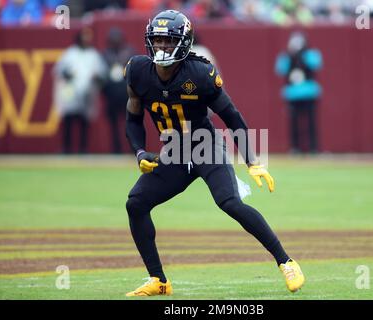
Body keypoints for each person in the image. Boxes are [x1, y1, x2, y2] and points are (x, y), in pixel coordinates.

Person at [123, 9, 305, 297]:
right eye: (157, 41)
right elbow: (133, 119)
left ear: (183, 43)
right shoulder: (137, 70)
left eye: (168, 42)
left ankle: (286, 261)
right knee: (135, 204)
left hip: (205, 144)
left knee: (229, 202)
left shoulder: (200, 73)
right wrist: (140, 151)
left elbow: (232, 117)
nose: (161, 47)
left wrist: (253, 162)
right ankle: (158, 280)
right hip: (175, 152)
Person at [53, 27, 107, 154]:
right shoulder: (70, 53)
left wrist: (96, 76)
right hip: (71, 91)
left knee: (84, 122)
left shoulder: (93, 54)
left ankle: (83, 149)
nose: (86, 40)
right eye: (84, 37)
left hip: (87, 92)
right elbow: (59, 70)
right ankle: (66, 149)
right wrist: (67, 74)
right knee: (68, 121)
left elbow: (102, 73)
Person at [275, 31, 322, 154]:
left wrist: (302, 55)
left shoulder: (311, 54)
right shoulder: (286, 56)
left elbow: (316, 64)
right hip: (292, 94)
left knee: (311, 122)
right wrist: (291, 55)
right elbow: (280, 69)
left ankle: (313, 148)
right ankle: (295, 148)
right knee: (293, 123)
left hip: (309, 92)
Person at [101, 27, 136, 153]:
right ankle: (116, 149)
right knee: (114, 124)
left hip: (127, 94)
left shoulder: (129, 52)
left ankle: (134, 147)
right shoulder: (105, 54)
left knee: (131, 122)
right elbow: (102, 75)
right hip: (111, 95)